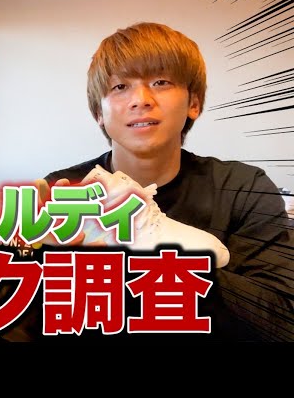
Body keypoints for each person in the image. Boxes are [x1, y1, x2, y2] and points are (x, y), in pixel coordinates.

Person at [38, 21, 293, 342]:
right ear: (98, 113)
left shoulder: (243, 188)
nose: (140, 99)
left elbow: (280, 320)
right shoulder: (64, 192)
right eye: (120, 87)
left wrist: (151, 263)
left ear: (193, 103)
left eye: (160, 82)